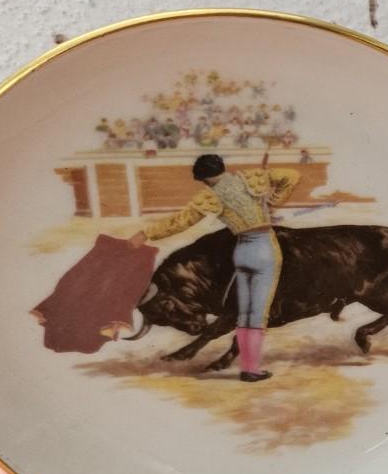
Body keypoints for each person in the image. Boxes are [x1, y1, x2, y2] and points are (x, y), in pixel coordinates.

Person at [129, 152, 300, 382]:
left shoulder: (210, 196)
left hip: (242, 252)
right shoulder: (251, 178)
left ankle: (248, 368)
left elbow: (180, 221)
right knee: (257, 315)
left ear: (204, 178)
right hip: (264, 249)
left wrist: (145, 234)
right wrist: (272, 202)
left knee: (244, 313)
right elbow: (291, 176)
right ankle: (250, 369)